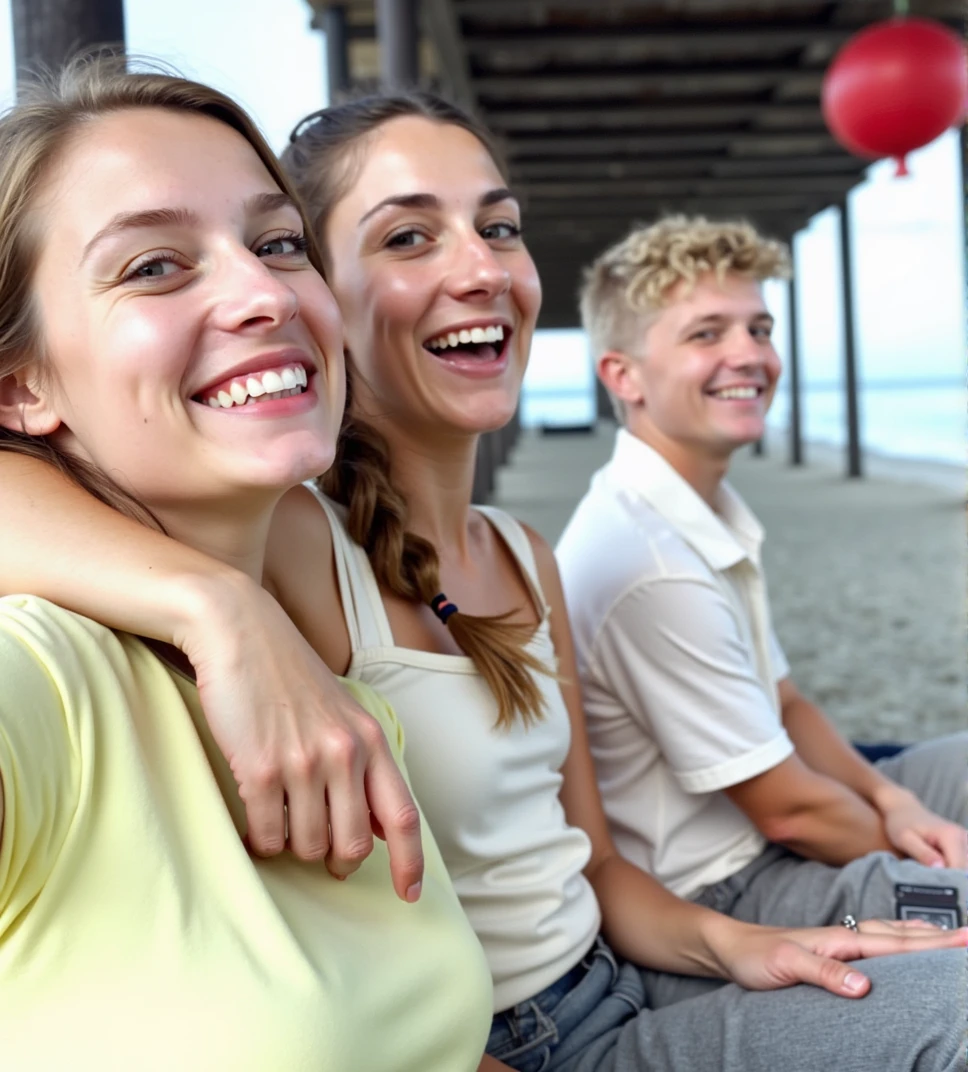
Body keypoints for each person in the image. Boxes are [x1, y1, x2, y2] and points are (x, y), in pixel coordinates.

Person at [0, 90, 965, 1072]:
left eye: (498, 227)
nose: (479, 266)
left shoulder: (520, 552)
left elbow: (585, 859)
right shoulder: (279, 537)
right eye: (408, 237)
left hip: (616, 970)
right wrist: (216, 603)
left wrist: (737, 945)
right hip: (515, 1027)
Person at [0, 58, 492, 1070]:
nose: (263, 290)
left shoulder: (321, 691)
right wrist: (208, 598)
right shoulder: (48, 681)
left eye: (277, 242)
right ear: (22, 388)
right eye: (153, 266)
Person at [555, 215, 968, 1000]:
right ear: (624, 374)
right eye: (706, 334)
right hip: (726, 887)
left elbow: (787, 700)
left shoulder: (702, 508)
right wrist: (927, 854)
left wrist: (893, 796)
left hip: (779, 825)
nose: (748, 354)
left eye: (759, 327)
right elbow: (793, 815)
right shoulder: (648, 562)